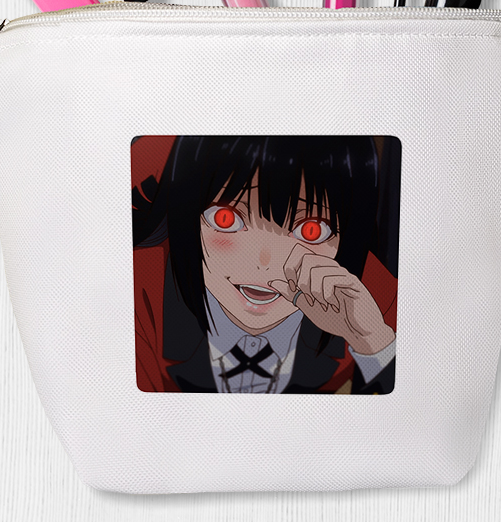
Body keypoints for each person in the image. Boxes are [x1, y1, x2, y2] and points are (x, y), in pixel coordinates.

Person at [131, 135, 398, 394]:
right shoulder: (138, 289)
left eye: (311, 231)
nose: (264, 262)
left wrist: (372, 342)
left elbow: (407, 406)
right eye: (226, 219)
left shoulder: (374, 301)